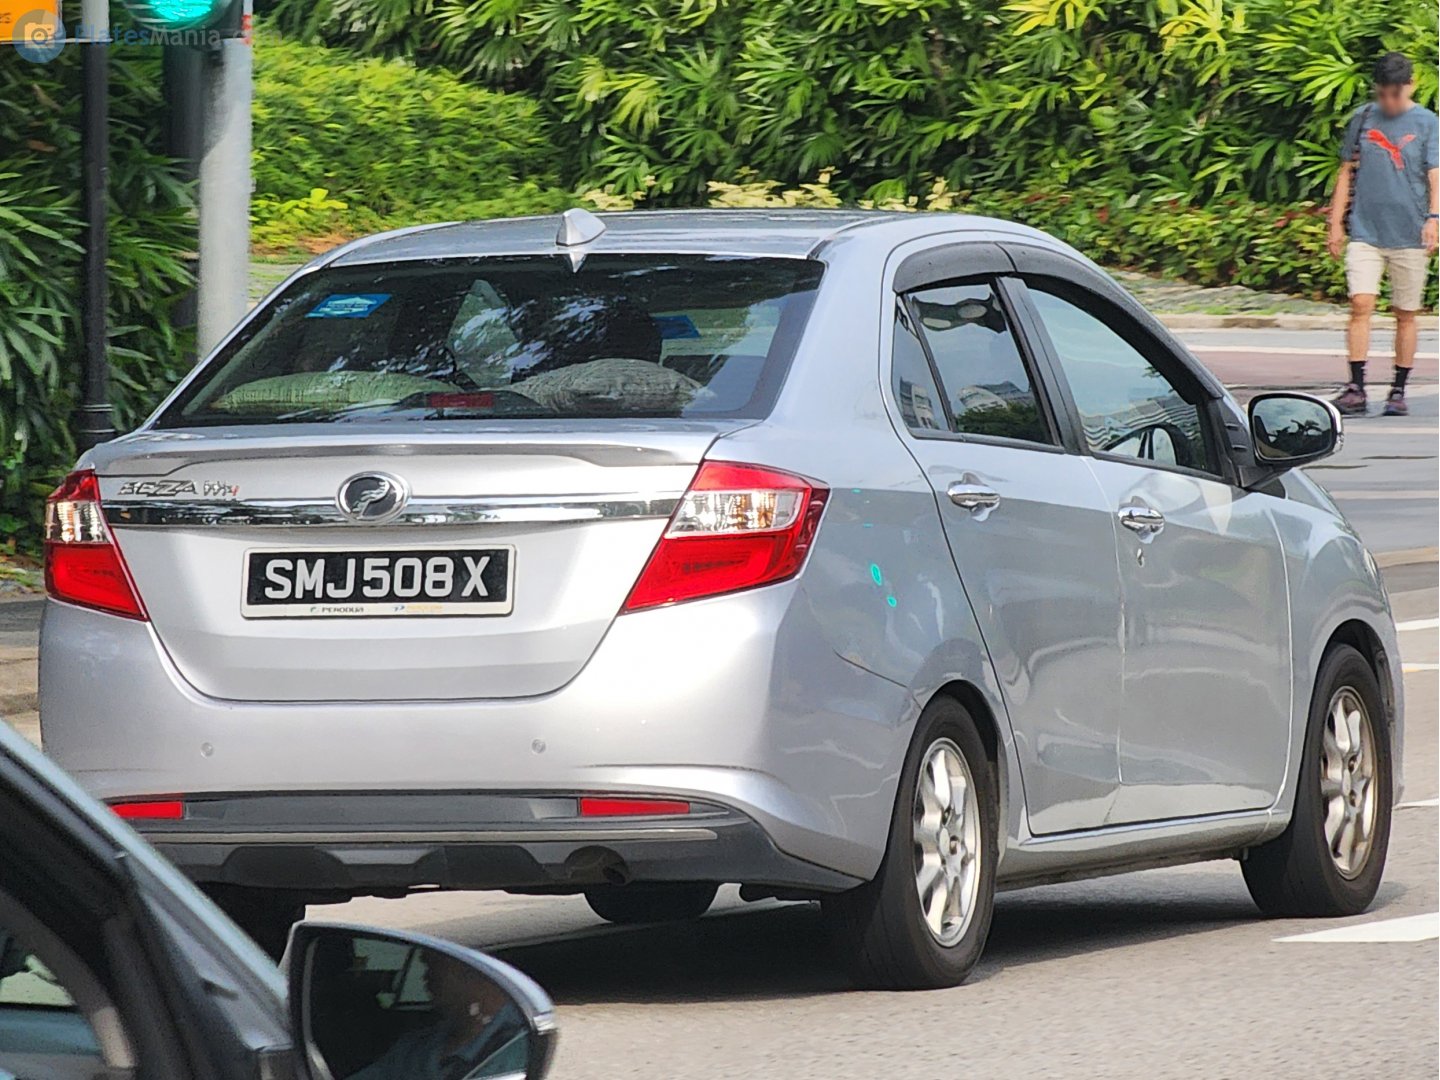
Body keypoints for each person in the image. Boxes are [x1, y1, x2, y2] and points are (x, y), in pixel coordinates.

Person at [1328, 52, 1439, 418]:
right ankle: (1356, 386)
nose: (1388, 102)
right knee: (1361, 303)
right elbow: (1346, 172)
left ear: (1410, 86)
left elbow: (1435, 175)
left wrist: (1434, 217)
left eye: (1394, 94)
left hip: (1409, 233)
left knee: (1405, 312)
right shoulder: (1362, 118)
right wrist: (1335, 222)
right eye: (1382, 94)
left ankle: (1398, 389)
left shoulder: (1427, 123)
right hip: (1366, 230)